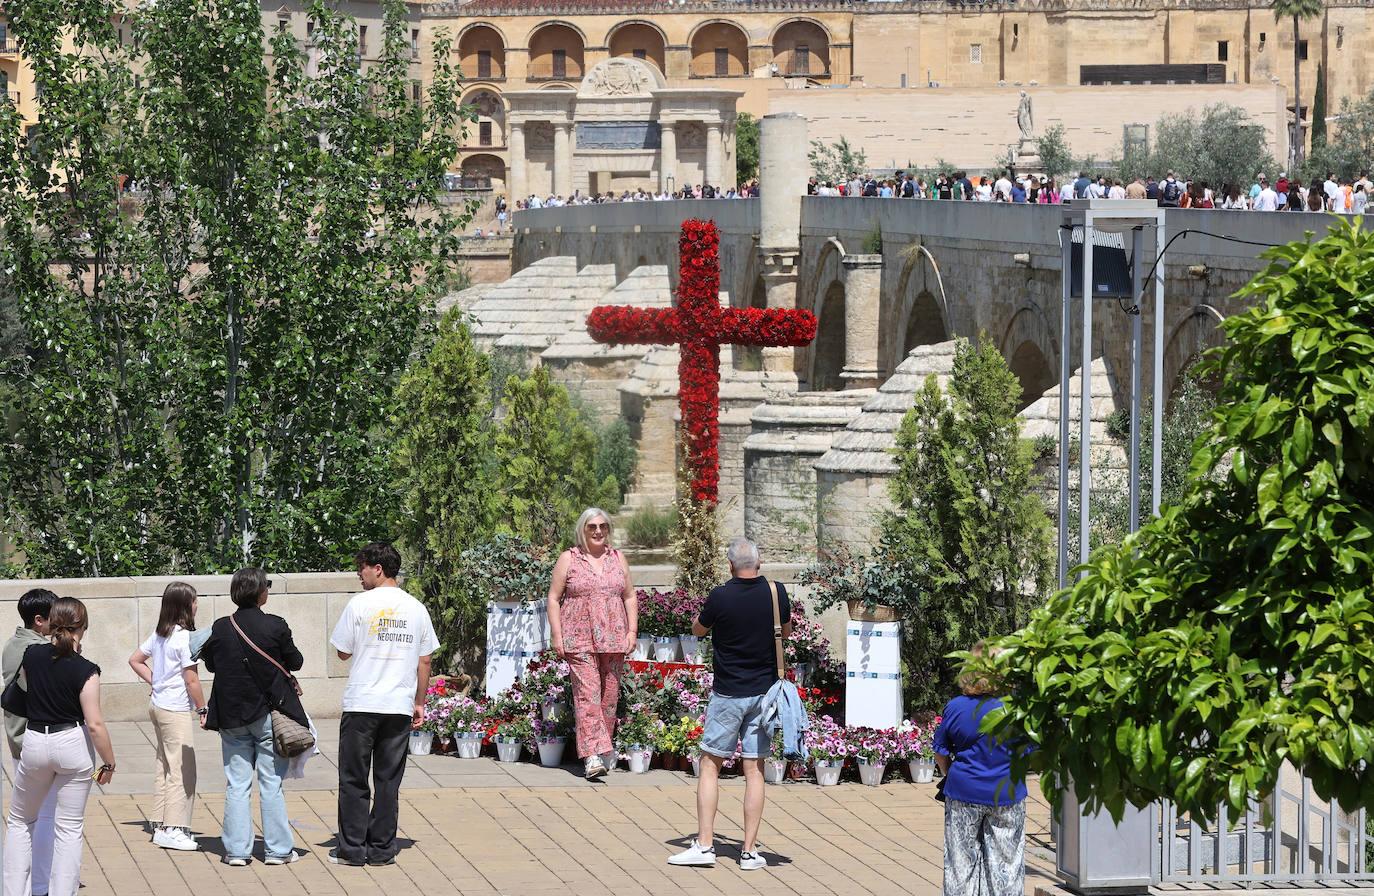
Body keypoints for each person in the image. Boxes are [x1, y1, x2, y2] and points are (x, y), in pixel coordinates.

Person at [669, 538, 791, 871]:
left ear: (730, 566)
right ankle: (749, 852)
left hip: (728, 694)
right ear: (760, 561)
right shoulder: (776, 593)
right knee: (754, 770)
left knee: (711, 765)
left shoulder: (720, 596)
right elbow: (786, 631)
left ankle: (705, 845)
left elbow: (698, 629)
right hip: (764, 695)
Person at [330, 542, 438, 866]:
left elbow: (342, 652)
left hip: (362, 703)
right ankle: (381, 850)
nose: (358, 576)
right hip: (398, 706)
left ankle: (351, 849)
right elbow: (426, 661)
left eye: (360, 568)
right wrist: (420, 702)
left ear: (377, 568)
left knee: (353, 778)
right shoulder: (417, 609)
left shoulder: (359, 604)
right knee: (388, 781)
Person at [3, 597, 117, 896]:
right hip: (73, 744)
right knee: (68, 829)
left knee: (20, 821)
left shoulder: (31, 654)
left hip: (36, 740)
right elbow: (95, 724)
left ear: (51, 623)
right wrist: (109, 762)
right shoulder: (87, 670)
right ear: (84, 626)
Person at [200, 568, 305, 867]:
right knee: (271, 783)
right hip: (268, 713)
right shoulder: (275, 625)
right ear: (260, 592)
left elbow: (211, 666)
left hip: (232, 715)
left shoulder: (221, 627)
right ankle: (278, 851)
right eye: (267, 585)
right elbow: (295, 661)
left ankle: (236, 851)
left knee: (237, 784)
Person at [547, 508, 637, 779]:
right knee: (588, 696)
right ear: (582, 530)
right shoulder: (569, 559)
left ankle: (602, 747)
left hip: (614, 637)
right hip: (579, 638)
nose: (598, 531)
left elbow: (630, 596)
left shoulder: (618, 558)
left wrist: (632, 631)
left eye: (603, 526)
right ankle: (592, 756)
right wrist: (557, 635)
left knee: (608, 699)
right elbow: (553, 598)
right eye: (592, 527)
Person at [934, 641, 1028, 896]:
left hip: (963, 792)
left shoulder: (955, 707)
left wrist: (949, 774)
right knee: (1006, 864)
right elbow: (1030, 751)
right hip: (1007, 792)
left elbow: (940, 751)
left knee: (960, 863)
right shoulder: (1016, 708)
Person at [128, 582, 206, 851]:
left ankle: (160, 824)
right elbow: (192, 680)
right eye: (194, 601)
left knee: (164, 765)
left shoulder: (161, 634)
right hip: (174, 709)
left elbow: (135, 659)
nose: (197, 605)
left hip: (158, 706)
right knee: (182, 770)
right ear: (186, 606)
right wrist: (203, 708)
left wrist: (156, 681)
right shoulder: (184, 638)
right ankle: (173, 828)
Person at [2, 589, 58, 895]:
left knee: (22, 818)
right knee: (44, 818)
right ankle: (40, 885)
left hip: (17, 740)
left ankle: (17, 885)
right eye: (55, 617)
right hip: (37, 741)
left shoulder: (12, 643)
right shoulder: (40, 651)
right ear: (39, 620)